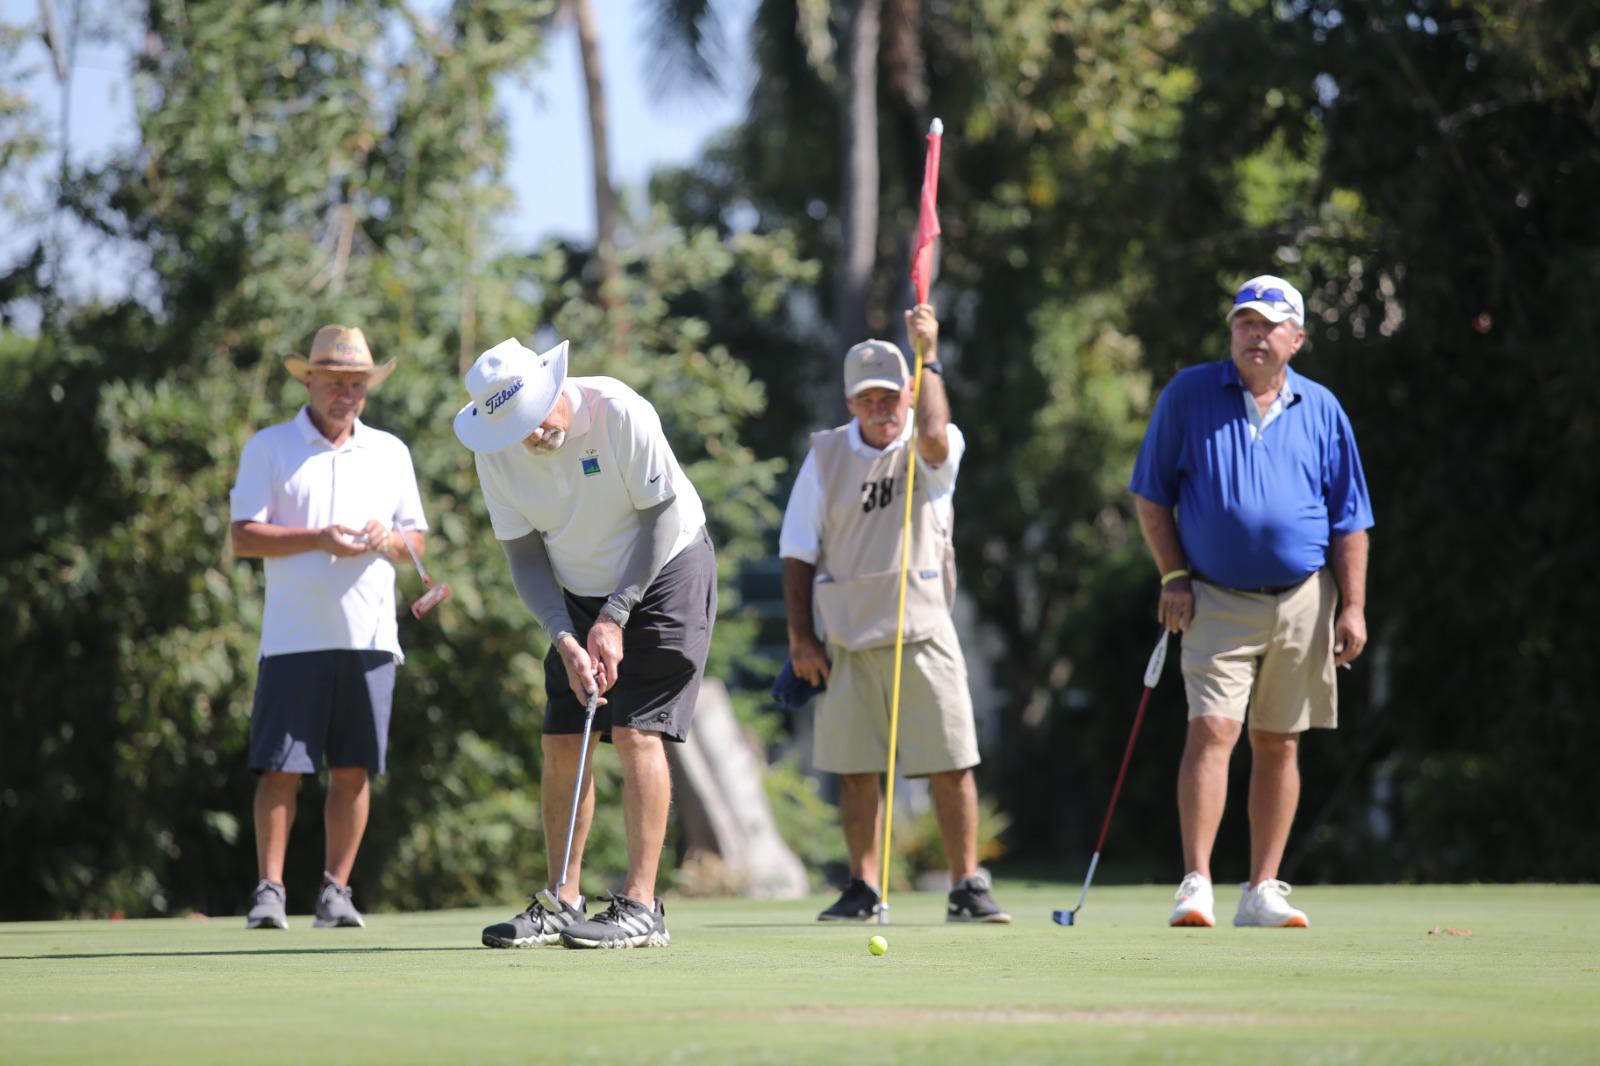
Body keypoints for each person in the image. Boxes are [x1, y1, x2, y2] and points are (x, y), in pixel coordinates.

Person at [1128, 275, 1373, 929]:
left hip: (1302, 599)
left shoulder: (1321, 408)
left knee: (1280, 743)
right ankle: (1197, 883)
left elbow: (1350, 518)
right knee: (1212, 731)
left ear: (1295, 339)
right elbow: (1151, 494)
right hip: (1214, 595)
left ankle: (1262, 888)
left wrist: (1352, 606)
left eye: (1268, 325)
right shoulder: (1190, 395)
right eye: (1245, 323)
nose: (1255, 335)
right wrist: (1173, 574)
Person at [457, 336, 716, 950]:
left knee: (634, 731)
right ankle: (562, 900)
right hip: (574, 587)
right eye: (513, 427)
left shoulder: (620, 411)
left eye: (534, 419)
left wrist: (617, 614)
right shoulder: (495, 452)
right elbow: (523, 554)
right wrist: (564, 634)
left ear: (553, 389)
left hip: (666, 570)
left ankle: (641, 905)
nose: (530, 436)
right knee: (562, 738)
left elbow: (661, 517)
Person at [780, 303, 1010, 924]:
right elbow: (797, 551)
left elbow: (934, 437)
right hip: (849, 637)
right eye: (868, 399)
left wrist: (930, 353)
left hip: (924, 630)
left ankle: (966, 884)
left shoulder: (935, 442)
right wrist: (802, 637)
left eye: (891, 396)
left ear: (911, 393)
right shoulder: (825, 457)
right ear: (851, 402)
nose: (881, 409)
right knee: (856, 771)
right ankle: (863, 886)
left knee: (949, 762)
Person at [230, 325, 430, 931]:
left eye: (358, 384)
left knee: (353, 769)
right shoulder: (270, 446)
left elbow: (415, 540)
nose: (347, 393)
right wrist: (317, 538)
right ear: (309, 380)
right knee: (280, 769)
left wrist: (385, 539)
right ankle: (270, 890)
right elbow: (243, 535)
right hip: (292, 637)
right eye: (336, 381)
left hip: (370, 637)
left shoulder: (391, 452)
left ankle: (335, 891)